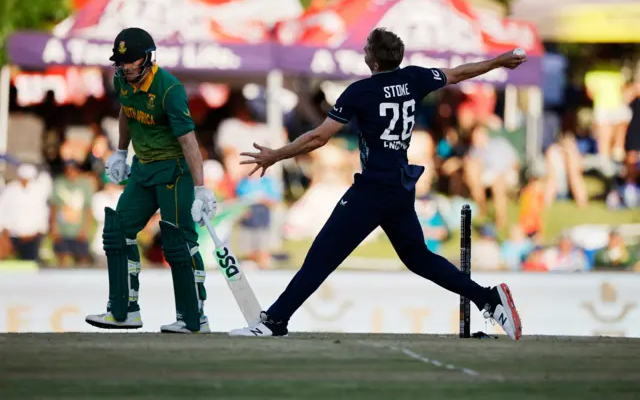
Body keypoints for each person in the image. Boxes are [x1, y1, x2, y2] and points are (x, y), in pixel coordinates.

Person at [229, 28, 526, 340]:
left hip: (372, 189)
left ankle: (275, 321)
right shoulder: (415, 78)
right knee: (418, 258)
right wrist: (499, 62)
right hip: (399, 186)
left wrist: (276, 155)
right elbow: (459, 73)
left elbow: (320, 136)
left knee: (322, 256)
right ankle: (489, 299)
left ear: (370, 57)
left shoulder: (361, 92)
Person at [85, 27, 217, 333]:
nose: (126, 67)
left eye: (132, 61)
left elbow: (189, 142)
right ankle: (123, 312)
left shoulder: (169, 90)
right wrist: (119, 152)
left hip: (174, 172)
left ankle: (193, 318)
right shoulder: (122, 80)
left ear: (147, 58)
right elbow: (126, 111)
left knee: (178, 242)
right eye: (122, 62)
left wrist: (200, 189)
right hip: (143, 168)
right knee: (117, 232)